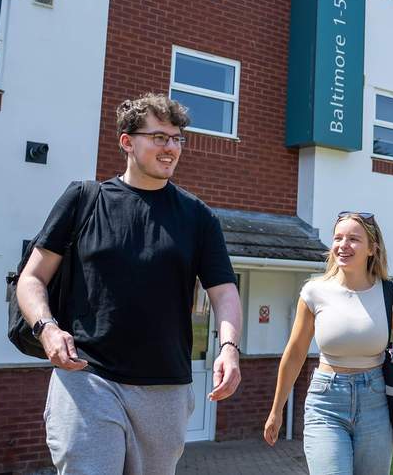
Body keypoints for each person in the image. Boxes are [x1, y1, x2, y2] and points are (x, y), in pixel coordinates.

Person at [17, 93, 243, 474]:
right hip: (86, 378)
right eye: (159, 137)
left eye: (176, 138)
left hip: (165, 388)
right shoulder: (83, 199)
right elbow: (32, 278)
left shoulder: (198, 216)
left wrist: (229, 348)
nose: (170, 147)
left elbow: (224, 291)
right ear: (127, 142)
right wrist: (47, 329)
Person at [263, 211, 393, 474]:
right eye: (338, 238)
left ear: (372, 248)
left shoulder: (390, 292)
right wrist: (276, 409)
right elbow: (295, 353)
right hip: (326, 402)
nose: (343, 245)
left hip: (376, 403)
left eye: (353, 239)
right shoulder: (315, 291)